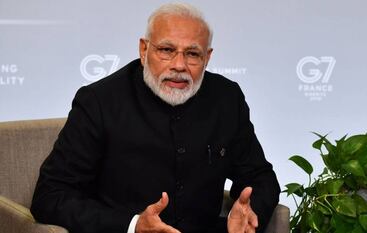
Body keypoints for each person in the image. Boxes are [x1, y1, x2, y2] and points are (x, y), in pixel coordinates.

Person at [30, 3, 280, 233]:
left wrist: (250, 211)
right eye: (167, 50)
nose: (179, 65)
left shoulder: (226, 98)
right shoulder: (99, 101)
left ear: (208, 57)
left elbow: (260, 177)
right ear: (144, 49)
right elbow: (50, 196)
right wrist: (133, 225)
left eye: (193, 54)